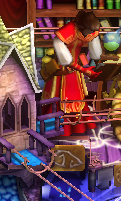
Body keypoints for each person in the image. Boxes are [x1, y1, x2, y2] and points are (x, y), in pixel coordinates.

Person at [41, 9, 105, 137]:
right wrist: (84, 70)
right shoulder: (67, 31)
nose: (91, 34)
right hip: (62, 69)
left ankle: (77, 127)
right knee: (62, 96)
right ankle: (59, 128)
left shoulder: (91, 31)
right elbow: (66, 60)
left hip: (76, 68)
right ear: (81, 27)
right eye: (89, 32)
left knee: (77, 96)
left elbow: (95, 51)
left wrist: (96, 64)